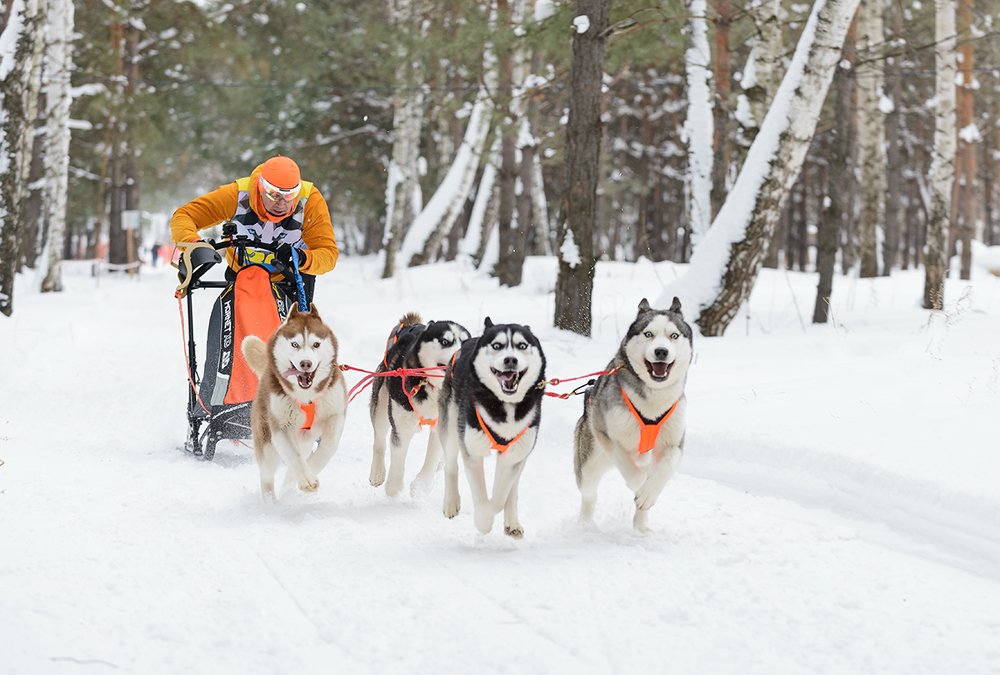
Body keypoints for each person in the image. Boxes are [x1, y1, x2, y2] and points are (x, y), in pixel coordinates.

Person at [170, 155, 338, 304]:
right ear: (260, 186)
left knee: (292, 337)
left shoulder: (309, 201)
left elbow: (328, 255)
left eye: (290, 195)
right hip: (242, 275)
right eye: (274, 194)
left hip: (290, 279)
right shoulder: (237, 195)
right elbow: (184, 216)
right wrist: (194, 243)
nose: (282, 203)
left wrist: (300, 258)